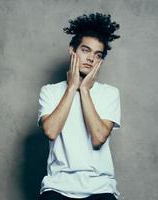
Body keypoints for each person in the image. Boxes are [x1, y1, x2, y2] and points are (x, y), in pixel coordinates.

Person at [37, 13, 121, 200]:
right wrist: (72, 87)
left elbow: (98, 138)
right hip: (57, 187)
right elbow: (50, 131)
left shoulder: (110, 93)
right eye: (85, 50)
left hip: (100, 188)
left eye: (97, 55)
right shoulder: (50, 92)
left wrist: (84, 91)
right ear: (72, 50)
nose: (91, 58)